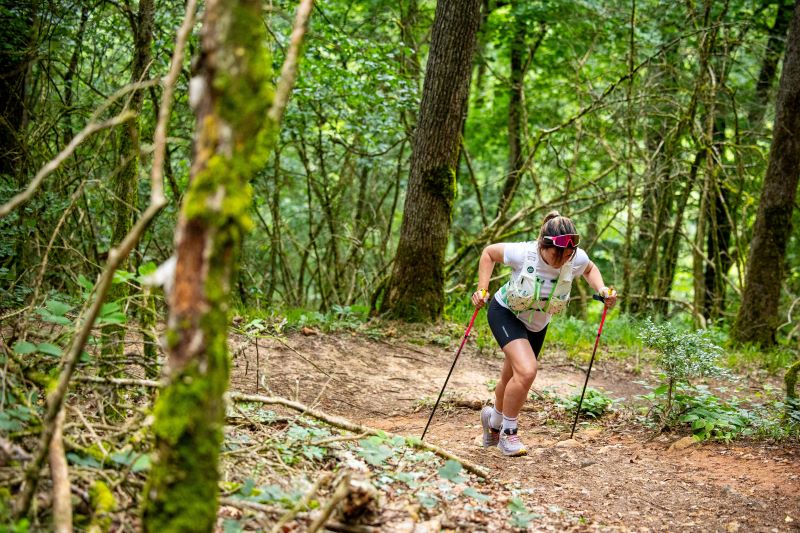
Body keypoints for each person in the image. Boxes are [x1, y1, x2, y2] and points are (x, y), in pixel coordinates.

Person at [471, 211, 617, 456]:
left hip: (537, 324)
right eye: (555, 254)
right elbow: (488, 253)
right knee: (527, 371)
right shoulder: (523, 252)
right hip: (506, 313)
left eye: (567, 255)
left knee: (512, 378)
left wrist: (602, 289)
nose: (561, 261)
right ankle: (509, 434)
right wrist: (481, 290)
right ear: (543, 245)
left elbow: (590, 268)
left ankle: (493, 422)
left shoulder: (575, 257)